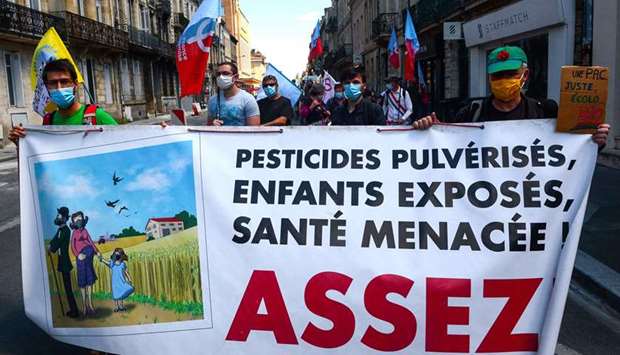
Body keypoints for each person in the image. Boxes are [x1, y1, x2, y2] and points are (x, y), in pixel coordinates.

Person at [413, 45, 611, 145]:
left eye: (511, 74)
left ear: (525, 75)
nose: (504, 79)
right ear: (489, 77)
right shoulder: (469, 114)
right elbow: (447, 148)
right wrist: (428, 132)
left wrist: (593, 140)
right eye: (498, 75)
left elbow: (572, 151)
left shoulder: (546, 111)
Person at [8, 59, 117, 144]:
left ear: (75, 84)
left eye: (64, 81)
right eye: (53, 83)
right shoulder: (48, 121)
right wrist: (21, 143)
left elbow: (124, 145)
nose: (59, 87)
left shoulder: (97, 116)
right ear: (47, 87)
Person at [48, 207, 80, 318]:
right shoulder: (61, 229)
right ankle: (73, 310)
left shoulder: (65, 230)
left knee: (68, 289)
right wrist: (51, 244)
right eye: (58, 215)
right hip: (62, 262)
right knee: (67, 288)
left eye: (59, 216)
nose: (57, 217)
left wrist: (51, 248)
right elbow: (55, 239)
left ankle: (74, 311)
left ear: (65, 218)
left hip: (65, 263)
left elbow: (58, 242)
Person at [208, 62, 260, 126]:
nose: (221, 77)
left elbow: (254, 130)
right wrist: (212, 124)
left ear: (236, 77)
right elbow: (208, 124)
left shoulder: (248, 99)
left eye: (225, 73)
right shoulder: (212, 100)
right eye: (218, 74)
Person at [69, 211, 101, 317]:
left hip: (89, 256)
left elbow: (91, 242)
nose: (78, 220)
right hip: (81, 258)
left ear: (83, 219)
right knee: (83, 283)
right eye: (76, 219)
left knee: (90, 282)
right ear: (73, 221)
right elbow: (72, 246)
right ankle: (84, 306)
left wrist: (97, 251)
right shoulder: (74, 233)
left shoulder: (86, 230)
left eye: (80, 218)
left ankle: (90, 305)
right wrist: (78, 255)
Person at [99, 248, 134, 312]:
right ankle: (116, 307)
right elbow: (107, 262)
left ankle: (121, 306)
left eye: (118, 254)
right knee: (115, 294)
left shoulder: (123, 264)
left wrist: (129, 278)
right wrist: (101, 259)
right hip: (114, 282)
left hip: (121, 281)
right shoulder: (112, 263)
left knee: (120, 294)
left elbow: (126, 272)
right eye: (115, 254)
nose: (116, 256)